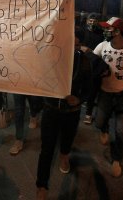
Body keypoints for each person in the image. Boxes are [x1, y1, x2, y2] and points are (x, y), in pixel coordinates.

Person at [36, 31, 91, 200]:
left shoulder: (84, 61)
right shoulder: (51, 56)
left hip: (71, 113)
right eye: (70, 44)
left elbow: (90, 89)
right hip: (50, 110)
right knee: (46, 149)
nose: (73, 48)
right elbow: (38, 78)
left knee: (66, 142)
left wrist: (79, 99)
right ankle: (42, 185)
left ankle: (64, 156)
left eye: (77, 44)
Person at [93, 17, 123, 177]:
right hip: (104, 93)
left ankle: (117, 160)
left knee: (121, 131)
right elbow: (92, 63)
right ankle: (104, 129)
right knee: (99, 121)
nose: (106, 31)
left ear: (118, 31)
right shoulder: (102, 46)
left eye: (109, 29)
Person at [81, 13, 104, 124]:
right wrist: (81, 47)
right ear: (87, 21)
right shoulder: (81, 31)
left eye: (95, 21)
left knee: (92, 90)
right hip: (81, 63)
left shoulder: (101, 34)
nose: (92, 23)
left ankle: (88, 114)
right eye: (90, 20)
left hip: (94, 65)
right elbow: (74, 43)